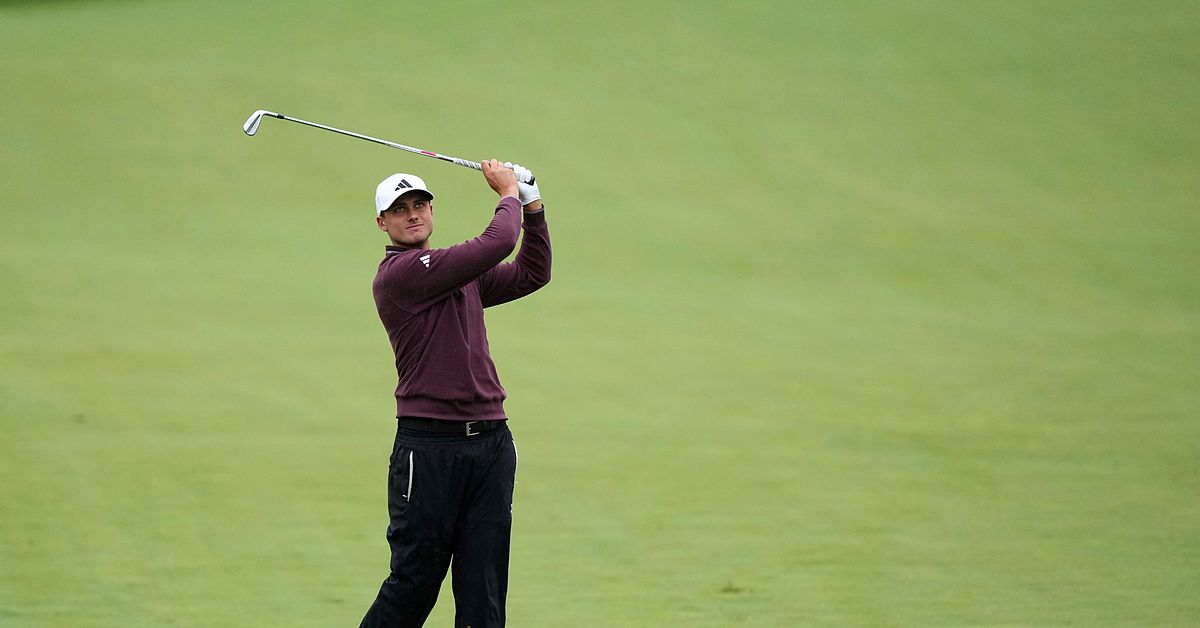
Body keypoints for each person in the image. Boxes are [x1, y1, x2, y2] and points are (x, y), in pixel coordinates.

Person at [359, 159, 551, 627]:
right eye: (399, 209)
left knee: (484, 591)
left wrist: (533, 206)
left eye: (419, 204)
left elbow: (532, 272)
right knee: (413, 586)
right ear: (382, 223)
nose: (413, 214)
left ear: (431, 209)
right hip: (429, 448)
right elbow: (497, 243)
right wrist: (508, 192)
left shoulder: (457, 273)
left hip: (490, 444)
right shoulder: (400, 275)